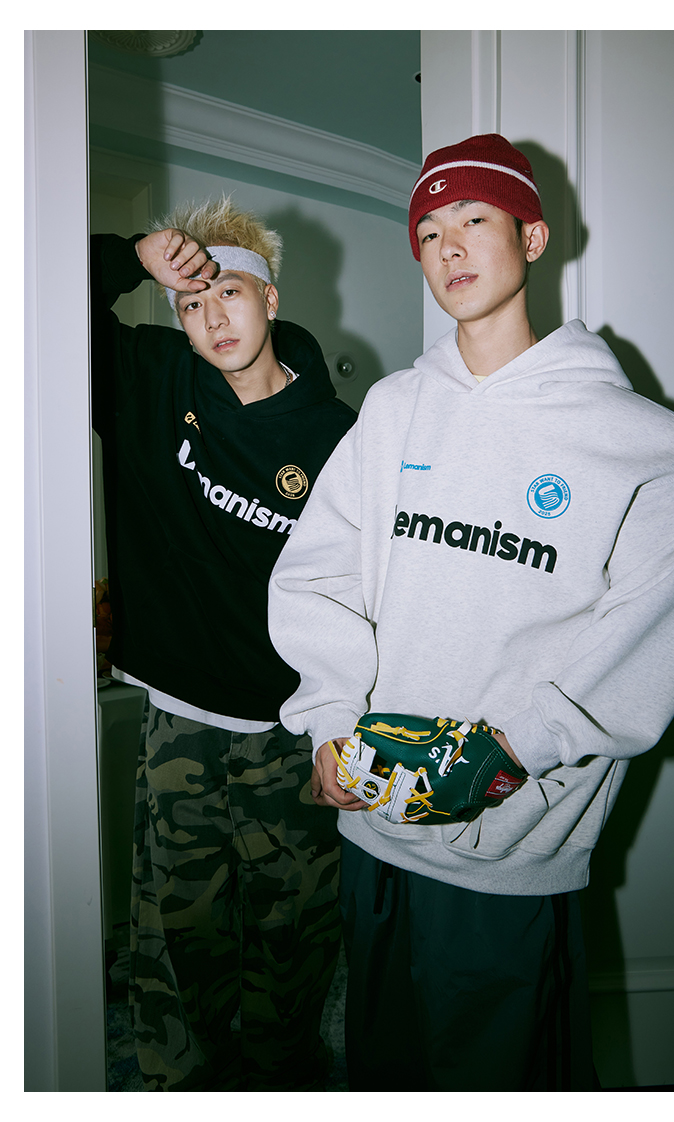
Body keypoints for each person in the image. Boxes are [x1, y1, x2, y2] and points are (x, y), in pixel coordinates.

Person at [267, 134, 674, 1091]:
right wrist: (328, 722)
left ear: (532, 238)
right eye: (428, 231)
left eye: (474, 219)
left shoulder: (613, 426)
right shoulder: (393, 410)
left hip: (511, 841)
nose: (448, 245)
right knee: (384, 1071)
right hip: (375, 824)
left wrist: (522, 744)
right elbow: (317, 576)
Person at [90, 196, 356, 1091]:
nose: (211, 318)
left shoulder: (342, 436)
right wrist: (135, 256)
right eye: (192, 302)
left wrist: (342, 722)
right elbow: (37, 300)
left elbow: (368, 592)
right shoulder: (152, 378)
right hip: (179, 721)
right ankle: (179, 1092)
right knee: (176, 934)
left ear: (271, 300)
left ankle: (287, 1083)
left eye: (229, 293)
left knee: (295, 933)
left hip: (291, 726)